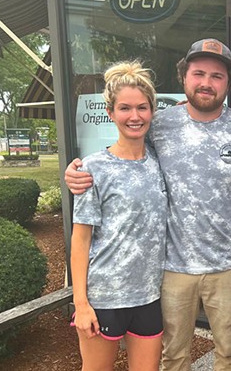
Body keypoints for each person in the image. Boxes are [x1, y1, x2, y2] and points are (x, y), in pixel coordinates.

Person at [66, 38, 231, 371]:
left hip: (230, 267)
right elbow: (120, 158)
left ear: (228, 82)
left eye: (217, 76)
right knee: (174, 356)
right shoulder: (160, 125)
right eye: (198, 73)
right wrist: (75, 171)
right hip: (172, 268)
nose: (206, 82)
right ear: (184, 77)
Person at [70, 61, 167, 371]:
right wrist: (81, 304)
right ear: (110, 112)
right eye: (125, 108)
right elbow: (80, 240)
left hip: (148, 296)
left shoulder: (159, 159)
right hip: (104, 298)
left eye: (142, 107)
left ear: (152, 111)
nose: (134, 116)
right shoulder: (93, 168)